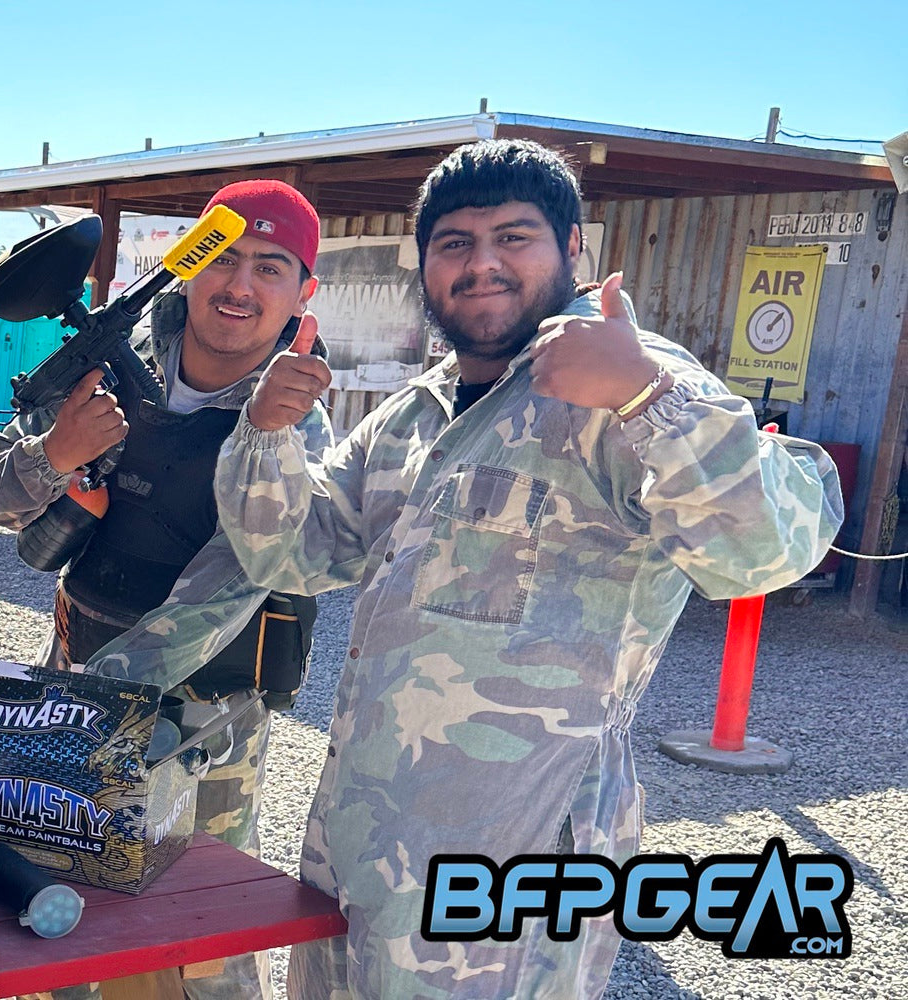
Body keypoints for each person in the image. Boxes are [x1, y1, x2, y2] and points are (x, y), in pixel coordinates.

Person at [94, 139, 844, 999]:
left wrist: (644, 395)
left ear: (572, 251)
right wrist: (264, 435)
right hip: (360, 845)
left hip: (504, 869)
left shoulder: (622, 385)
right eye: (454, 244)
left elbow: (766, 553)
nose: (481, 264)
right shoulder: (415, 415)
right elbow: (292, 553)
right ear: (427, 267)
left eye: (513, 237)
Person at [0, 180, 332, 1000]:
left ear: (303, 292)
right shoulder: (112, 357)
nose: (240, 287)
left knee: (197, 940)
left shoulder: (296, 416)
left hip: (207, 720)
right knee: (54, 914)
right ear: (193, 264)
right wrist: (55, 455)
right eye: (227, 258)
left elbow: (234, 580)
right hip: (78, 666)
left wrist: (91, 705)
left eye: (271, 268)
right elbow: (0, 494)